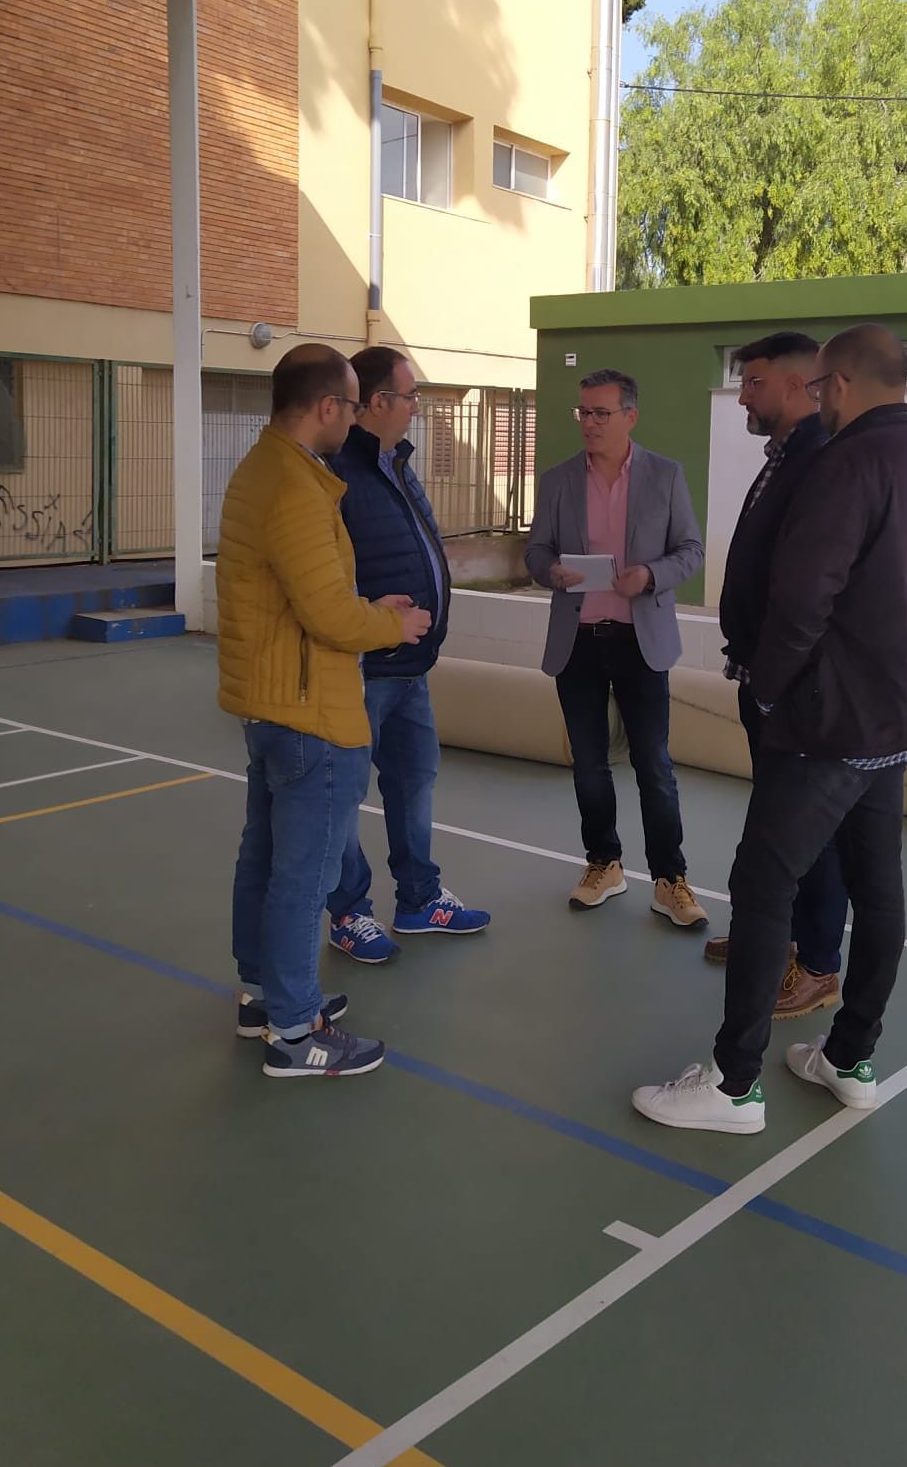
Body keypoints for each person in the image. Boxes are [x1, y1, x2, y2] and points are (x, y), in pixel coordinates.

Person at [633, 324, 907, 1133]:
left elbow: (803, 596)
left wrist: (772, 691)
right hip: (894, 718)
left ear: (840, 384)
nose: (819, 402)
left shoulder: (846, 465)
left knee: (762, 882)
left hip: (829, 723)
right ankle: (849, 1058)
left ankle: (733, 1085)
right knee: (877, 887)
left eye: (821, 388)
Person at [216, 342, 431, 1081]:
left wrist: (367, 606)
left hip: (272, 702)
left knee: (267, 857)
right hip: (309, 712)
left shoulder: (266, 469)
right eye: (352, 405)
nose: (356, 418)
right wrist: (391, 624)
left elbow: (306, 594)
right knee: (303, 876)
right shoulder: (295, 487)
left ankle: (263, 996)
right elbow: (327, 616)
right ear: (328, 407)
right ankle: (294, 1029)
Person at [526, 368, 706, 926]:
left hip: (640, 642)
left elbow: (691, 550)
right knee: (588, 764)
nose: (590, 423)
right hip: (577, 642)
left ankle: (670, 879)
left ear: (631, 416)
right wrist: (550, 572)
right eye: (583, 412)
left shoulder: (665, 476)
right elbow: (535, 552)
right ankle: (603, 863)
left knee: (654, 765)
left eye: (601, 413)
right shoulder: (557, 480)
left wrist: (650, 575)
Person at [327, 345, 490, 960]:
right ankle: (349, 912)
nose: (417, 406)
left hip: (412, 666)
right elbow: (325, 579)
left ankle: (419, 900)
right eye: (410, 396)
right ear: (377, 402)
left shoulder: (395, 463)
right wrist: (374, 617)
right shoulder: (337, 472)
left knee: (414, 781)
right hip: (364, 668)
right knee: (343, 795)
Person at [709, 331, 850, 1022]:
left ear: (798, 385)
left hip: (791, 685)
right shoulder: (785, 458)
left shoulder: (819, 462)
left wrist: (774, 680)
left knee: (808, 829)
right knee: (773, 822)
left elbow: (808, 589)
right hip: (763, 677)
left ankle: (817, 965)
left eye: (754, 382)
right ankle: (773, 935)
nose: (742, 396)